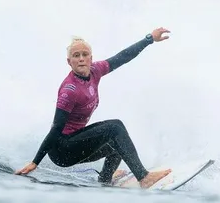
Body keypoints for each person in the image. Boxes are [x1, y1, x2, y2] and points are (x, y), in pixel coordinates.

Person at [15, 27, 172, 188]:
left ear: (91, 58)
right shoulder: (69, 90)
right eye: (76, 56)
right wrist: (35, 162)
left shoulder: (96, 71)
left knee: (118, 142)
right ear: (69, 62)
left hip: (76, 141)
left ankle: (105, 178)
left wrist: (149, 39)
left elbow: (122, 57)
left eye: (85, 55)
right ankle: (143, 177)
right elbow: (56, 128)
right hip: (62, 149)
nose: (81, 59)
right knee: (115, 127)